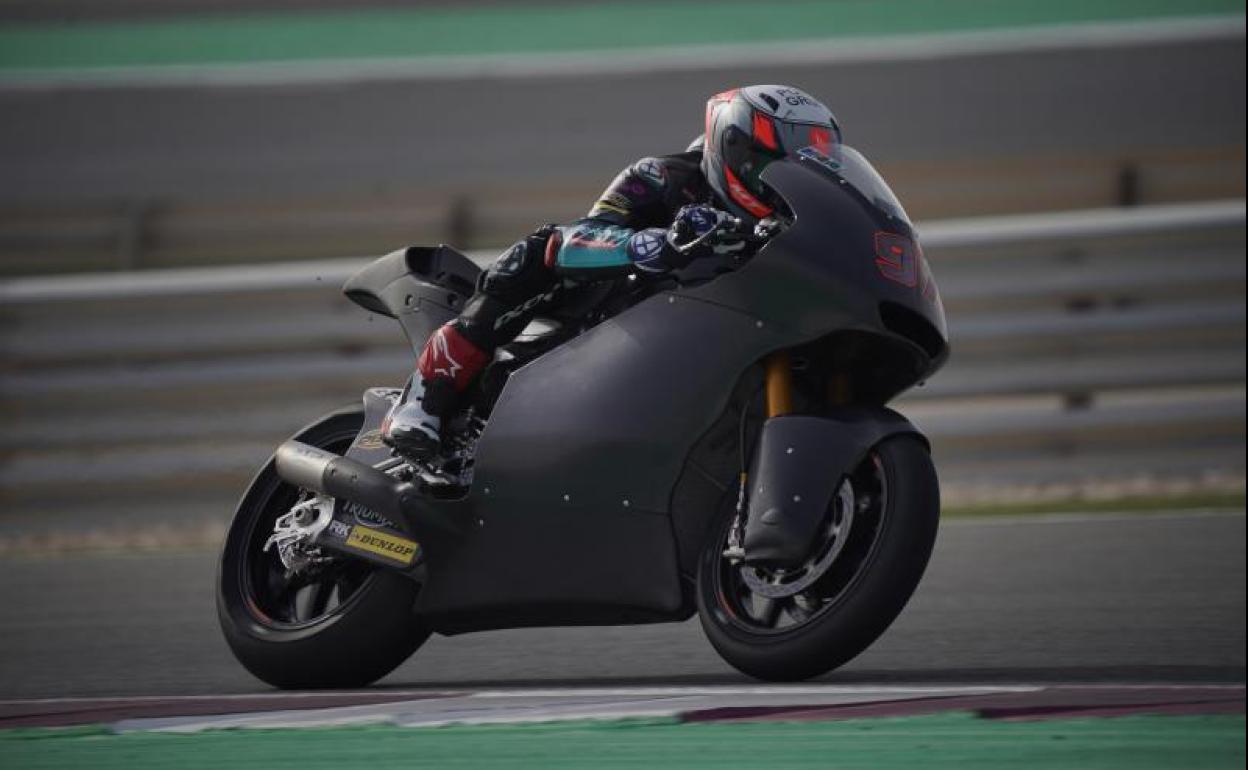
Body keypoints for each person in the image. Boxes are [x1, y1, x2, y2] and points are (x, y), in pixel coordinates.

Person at [382, 84, 842, 460]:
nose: (781, 182)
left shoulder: (789, 225)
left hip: (708, 348)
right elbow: (582, 236)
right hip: (612, 316)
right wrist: (658, 243)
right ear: (736, 149)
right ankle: (426, 399)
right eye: (772, 166)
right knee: (541, 249)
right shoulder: (664, 176)